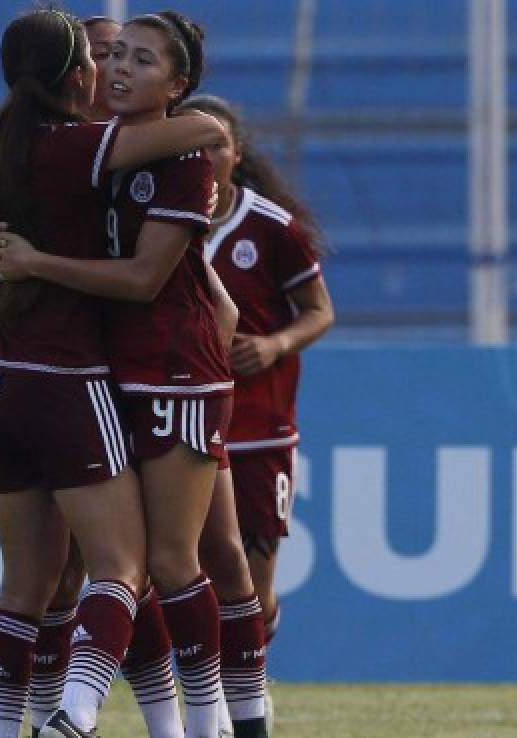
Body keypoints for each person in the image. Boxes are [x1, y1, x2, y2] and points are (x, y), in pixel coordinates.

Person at [0, 9, 224, 738]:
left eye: (135, 57)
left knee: (33, 584)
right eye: (107, 56)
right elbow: (205, 135)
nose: (114, 67)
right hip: (71, 379)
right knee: (133, 567)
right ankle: (80, 716)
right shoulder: (83, 148)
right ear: (76, 76)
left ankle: (13, 730)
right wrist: (205, 119)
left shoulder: (2, 137)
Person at [182, 93, 335, 722]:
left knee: (251, 589)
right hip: (180, 426)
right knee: (176, 577)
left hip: (256, 430)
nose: (204, 155)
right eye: (190, 143)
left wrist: (274, 343)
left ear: (236, 153)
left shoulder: (271, 227)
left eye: (216, 143)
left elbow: (320, 310)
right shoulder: (148, 220)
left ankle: (246, 699)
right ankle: (210, 711)